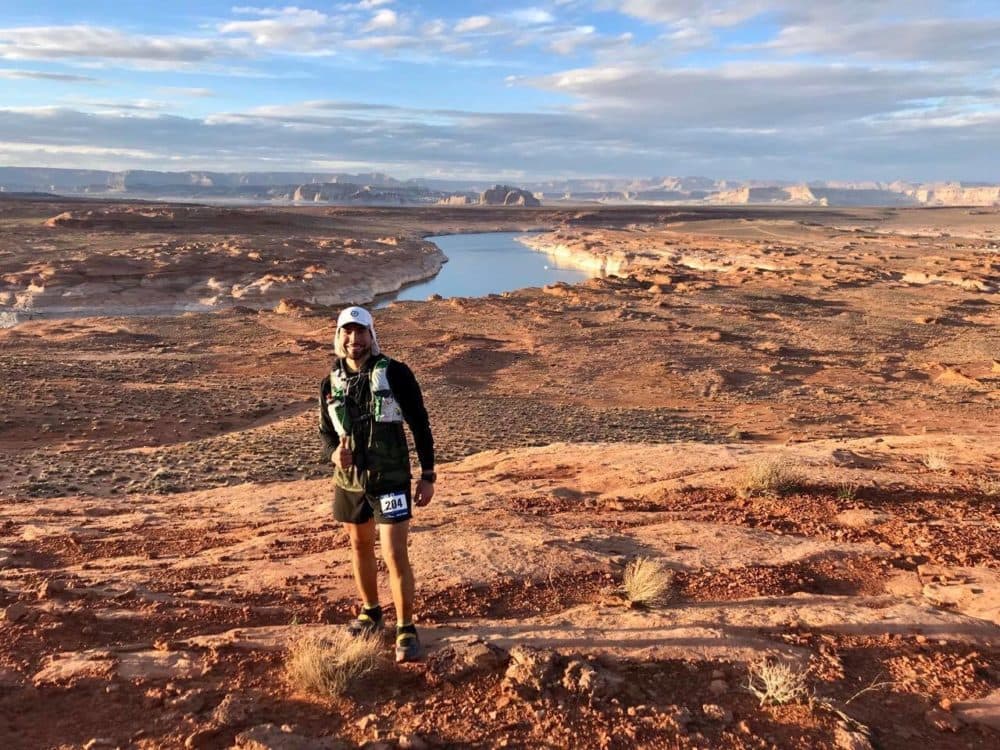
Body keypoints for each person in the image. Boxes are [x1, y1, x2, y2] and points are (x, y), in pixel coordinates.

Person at [319, 305, 436, 662]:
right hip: (350, 482)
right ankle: (371, 612)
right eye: (347, 332)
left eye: (361, 332)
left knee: (394, 553)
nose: (354, 340)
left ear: (372, 335)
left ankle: (405, 627)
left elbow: (419, 423)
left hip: (391, 478)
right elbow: (326, 432)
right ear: (339, 337)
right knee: (359, 546)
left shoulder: (395, 373)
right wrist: (333, 455)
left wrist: (427, 474)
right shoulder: (331, 381)